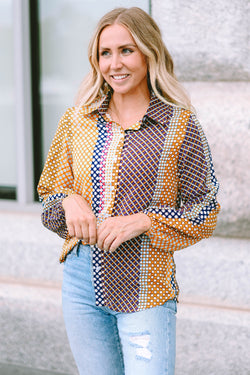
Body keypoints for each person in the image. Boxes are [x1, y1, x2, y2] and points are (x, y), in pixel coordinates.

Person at [37, 7, 220, 375]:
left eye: (126, 50)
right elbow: (49, 199)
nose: (114, 63)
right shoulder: (76, 121)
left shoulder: (179, 125)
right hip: (80, 281)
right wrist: (69, 201)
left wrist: (144, 221)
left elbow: (205, 210)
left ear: (149, 53)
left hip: (145, 284)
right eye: (106, 53)